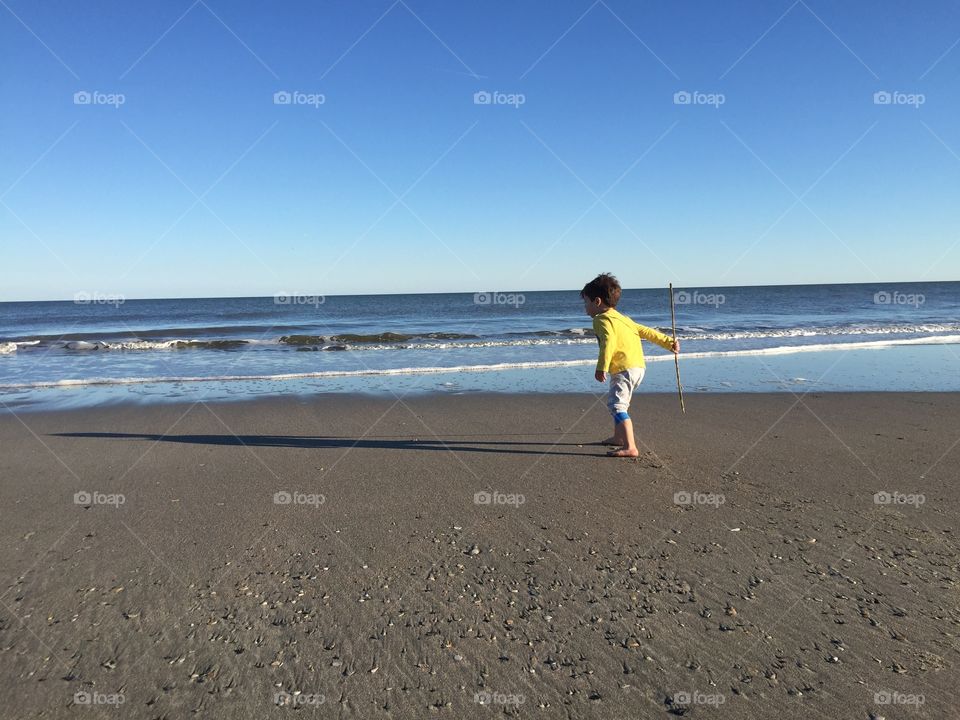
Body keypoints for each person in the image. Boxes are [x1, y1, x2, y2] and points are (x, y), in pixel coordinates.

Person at [581, 273, 679, 457]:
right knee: (620, 403)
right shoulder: (623, 318)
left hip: (623, 369)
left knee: (617, 406)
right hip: (637, 367)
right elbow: (646, 331)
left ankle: (630, 446)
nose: (584, 307)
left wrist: (601, 366)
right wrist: (668, 342)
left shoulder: (600, 320)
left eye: (585, 302)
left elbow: (608, 341)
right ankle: (619, 437)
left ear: (597, 301)